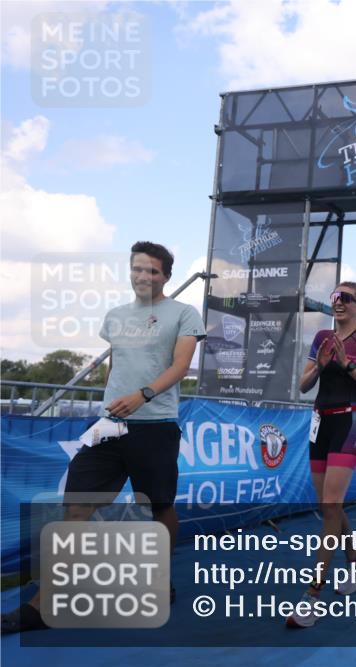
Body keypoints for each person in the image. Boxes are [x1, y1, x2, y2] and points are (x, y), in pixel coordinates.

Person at [1, 241, 206, 634]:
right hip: (109, 428)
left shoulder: (184, 314)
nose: (143, 277)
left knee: (159, 507)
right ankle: (45, 605)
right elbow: (116, 367)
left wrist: (143, 395)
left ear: (165, 276)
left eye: (152, 271)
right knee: (75, 508)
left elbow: (181, 366)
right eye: (138, 269)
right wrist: (108, 409)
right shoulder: (115, 316)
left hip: (156, 426)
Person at [286, 281, 356, 628]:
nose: (338, 303)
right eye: (334, 298)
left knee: (330, 505)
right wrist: (320, 364)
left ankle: (312, 595)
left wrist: (346, 366)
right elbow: (302, 385)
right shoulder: (321, 339)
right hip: (320, 422)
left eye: (345, 298)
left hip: (351, 421)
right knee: (328, 504)